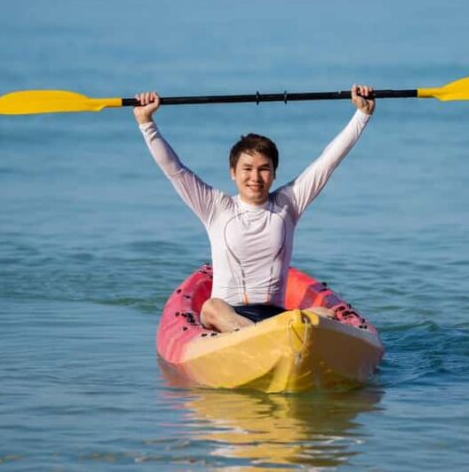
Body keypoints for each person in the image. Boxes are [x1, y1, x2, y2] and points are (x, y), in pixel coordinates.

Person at [134, 85, 375, 332]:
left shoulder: (287, 204)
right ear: (233, 173)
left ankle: (273, 330)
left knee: (327, 314)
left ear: (273, 174)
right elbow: (175, 170)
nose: (255, 177)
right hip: (227, 316)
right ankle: (258, 334)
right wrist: (146, 122)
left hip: (275, 316)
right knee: (211, 307)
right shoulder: (216, 207)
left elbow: (327, 162)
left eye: (264, 168)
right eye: (247, 168)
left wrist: (362, 115)